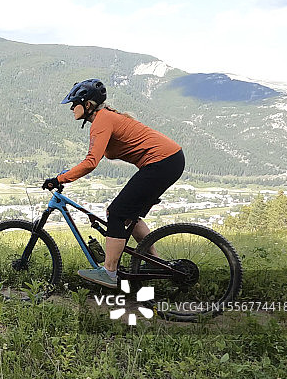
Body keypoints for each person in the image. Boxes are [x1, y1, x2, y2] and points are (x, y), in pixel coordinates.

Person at [43, 79, 185, 288]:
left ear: (88, 104)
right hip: (168, 161)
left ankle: (109, 273)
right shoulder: (105, 119)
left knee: (116, 213)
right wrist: (65, 174)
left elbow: (91, 162)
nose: (72, 107)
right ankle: (157, 263)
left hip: (162, 163)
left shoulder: (102, 120)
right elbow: (94, 159)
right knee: (127, 215)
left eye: (75, 103)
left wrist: (60, 179)